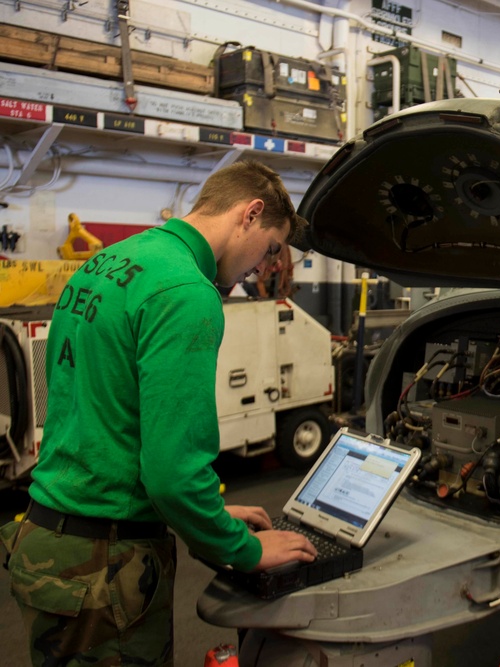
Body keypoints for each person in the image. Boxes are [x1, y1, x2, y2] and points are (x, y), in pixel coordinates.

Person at [0, 160, 319, 665]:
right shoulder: (187, 292)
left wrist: (206, 517)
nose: (264, 266)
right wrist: (245, 549)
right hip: (103, 569)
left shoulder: (109, 262)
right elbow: (172, 473)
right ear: (250, 214)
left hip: (47, 543)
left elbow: (107, 424)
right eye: (272, 247)